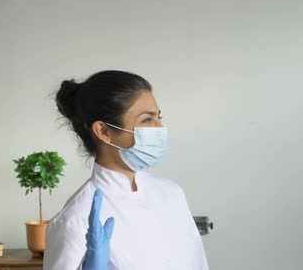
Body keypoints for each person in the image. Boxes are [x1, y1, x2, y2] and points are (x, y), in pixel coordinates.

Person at [43, 70, 208, 270]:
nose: (160, 127)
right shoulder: (76, 219)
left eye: (158, 117)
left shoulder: (171, 193)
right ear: (103, 131)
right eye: (147, 120)